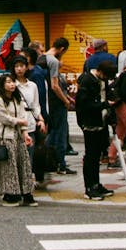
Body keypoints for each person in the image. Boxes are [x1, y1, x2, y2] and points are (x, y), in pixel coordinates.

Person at [0, 72, 37, 207]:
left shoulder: (18, 100)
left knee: (24, 165)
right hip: (5, 138)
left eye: (12, 82)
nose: (12, 84)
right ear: (2, 85)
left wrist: (26, 134)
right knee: (9, 167)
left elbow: (23, 118)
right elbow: (4, 118)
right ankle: (10, 194)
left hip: (18, 138)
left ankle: (27, 193)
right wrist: (20, 121)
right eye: (8, 82)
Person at [75, 55, 115, 200]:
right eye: (105, 75)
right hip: (90, 123)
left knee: (97, 155)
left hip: (101, 122)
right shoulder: (87, 80)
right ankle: (89, 187)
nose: (106, 78)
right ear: (99, 71)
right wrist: (104, 105)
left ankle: (97, 184)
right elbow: (83, 105)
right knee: (91, 156)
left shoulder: (102, 81)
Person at [45, 38, 74, 175]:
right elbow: (55, 85)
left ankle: (50, 161)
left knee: (53, 132)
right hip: (56, 103)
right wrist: (65, 100)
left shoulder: (42, 57)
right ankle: (61, 164)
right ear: (62, 49)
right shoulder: (53, 61)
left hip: (47, 102)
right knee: (60, 132)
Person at [12, 53, 45, 168]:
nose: (19, 69)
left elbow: (36, 105)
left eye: (21, 66)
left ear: (26, 67)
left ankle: (28, 180)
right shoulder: (12, 86)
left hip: (30, 123)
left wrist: (40, 119)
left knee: (29, 155)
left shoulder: (32, 86)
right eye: (16, 66)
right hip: (16, 124)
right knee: (16, 157)